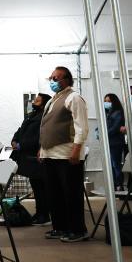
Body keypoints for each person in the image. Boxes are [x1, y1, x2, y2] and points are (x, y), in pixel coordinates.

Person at [40, 66, 89, 243]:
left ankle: (77, 230)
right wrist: (42, 149)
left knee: (71, 194)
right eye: (51, 77)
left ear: (67, 79)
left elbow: (81, 127)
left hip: (67, 155)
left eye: (57, 78)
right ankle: (59, 227)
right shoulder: (52, 100)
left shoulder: (74, 98)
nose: (53, 81)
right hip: (50, 155)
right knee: (54, 195)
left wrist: (76, 150)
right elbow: (46, 126)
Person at [10, 93, 50, 224]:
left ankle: (44, 215)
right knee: (36, 186)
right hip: (27, 155)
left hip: (36, 155)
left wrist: (22, 145)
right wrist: (15, 141)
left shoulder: (44, 117)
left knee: (41, 188)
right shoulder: (31, 115)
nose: (34, 102)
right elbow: (20, 130)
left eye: (38, 100)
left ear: (44, 104)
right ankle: (39, 213)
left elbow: (38, 138)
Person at [102, 93, 126, 190]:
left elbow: (115, 128)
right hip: (109, 142)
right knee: (111, 165)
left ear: (114, 102)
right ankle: (114, 186)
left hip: (115, 142)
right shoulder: (108, 112)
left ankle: (119, 185)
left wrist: (104, 134)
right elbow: (102, 125)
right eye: (105, 101)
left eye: (109, 101)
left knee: (116, 165)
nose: (106, 103)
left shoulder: (118, 112)